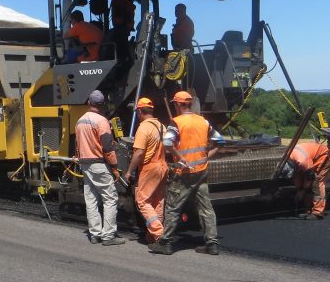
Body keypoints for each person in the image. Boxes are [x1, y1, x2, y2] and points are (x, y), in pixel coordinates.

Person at [148, 90, 224, 256]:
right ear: (189, 104)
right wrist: (205, 158)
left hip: (184, 173)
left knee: (173, 207)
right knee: (206, 208)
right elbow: (220, 141)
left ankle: (165, 242)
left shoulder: (176, 122)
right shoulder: (203, 121)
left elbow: (167, 143)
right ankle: (212, 243)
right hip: (201, 172)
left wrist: (181, 157)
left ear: (177, 104)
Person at [73, 90, 125, 246]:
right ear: (102, 105)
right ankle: (108, 235)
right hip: (98, 164)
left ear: (89, 103)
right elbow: (108, 147)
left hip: (85, 164)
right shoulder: (102, 121)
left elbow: (78, 145)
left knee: (91, 199)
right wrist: (115, 167)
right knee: (110, 198)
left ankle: (94, 234)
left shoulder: (79, 121)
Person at [124, 97, 167, 243]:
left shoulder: (143, 128)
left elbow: (139, 153)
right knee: (157, 201)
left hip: (149, 167)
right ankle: (152, 235)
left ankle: (160, 234)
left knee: (142, 201)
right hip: (162, 166)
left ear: (139, 112)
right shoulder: (161, 126)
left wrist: (129, 171)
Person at [288, 128, 330, 219]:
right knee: (303, 182)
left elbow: (310, 177)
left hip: (323, 156)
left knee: (316, 182)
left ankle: (317, 212)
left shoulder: (302, 160)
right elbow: (297, 177)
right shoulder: (286, 160)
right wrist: (299, 189)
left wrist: (302, 191)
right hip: (310, 159)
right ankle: (309, 210)